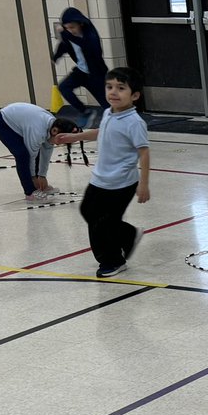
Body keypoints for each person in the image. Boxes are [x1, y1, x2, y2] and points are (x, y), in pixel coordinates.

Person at [56, 68, 150, 278]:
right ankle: (128, 235)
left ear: (134, 95)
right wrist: (74, 137)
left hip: (122, 183)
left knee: (103, 223)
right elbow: (102, 133)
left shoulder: (134, 122)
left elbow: (143, 152)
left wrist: (144, 184)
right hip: (100, 178)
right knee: (88, 212)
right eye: (109, 87)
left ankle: (113, 260)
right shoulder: (108, 112)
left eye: (121, 88)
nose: (113, 92)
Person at [0, 103, 78, 201]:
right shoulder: (38, 131)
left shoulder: (53, 125)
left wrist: (42, 176)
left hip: (21, 121)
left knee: (34, 152)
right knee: (22, 155)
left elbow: (47, 150)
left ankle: (37, 186)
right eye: (61, 141)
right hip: (3, 122)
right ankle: (30, 192)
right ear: (54, 131)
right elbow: (31, 155)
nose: (60, 144)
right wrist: (33, 178)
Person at [52, 7, 110, 127]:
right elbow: (64, 45)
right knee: (63, 87)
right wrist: (55, 57)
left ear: (81, 24)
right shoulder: (69, 36)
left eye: (72, 27)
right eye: (67, 28)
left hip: (96, 74)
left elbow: (85, 45)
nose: (70, 30)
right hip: (81, 72)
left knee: (106, 104)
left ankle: (119, 123)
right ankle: (85, 112)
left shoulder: (91, 35)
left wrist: (64, 33)